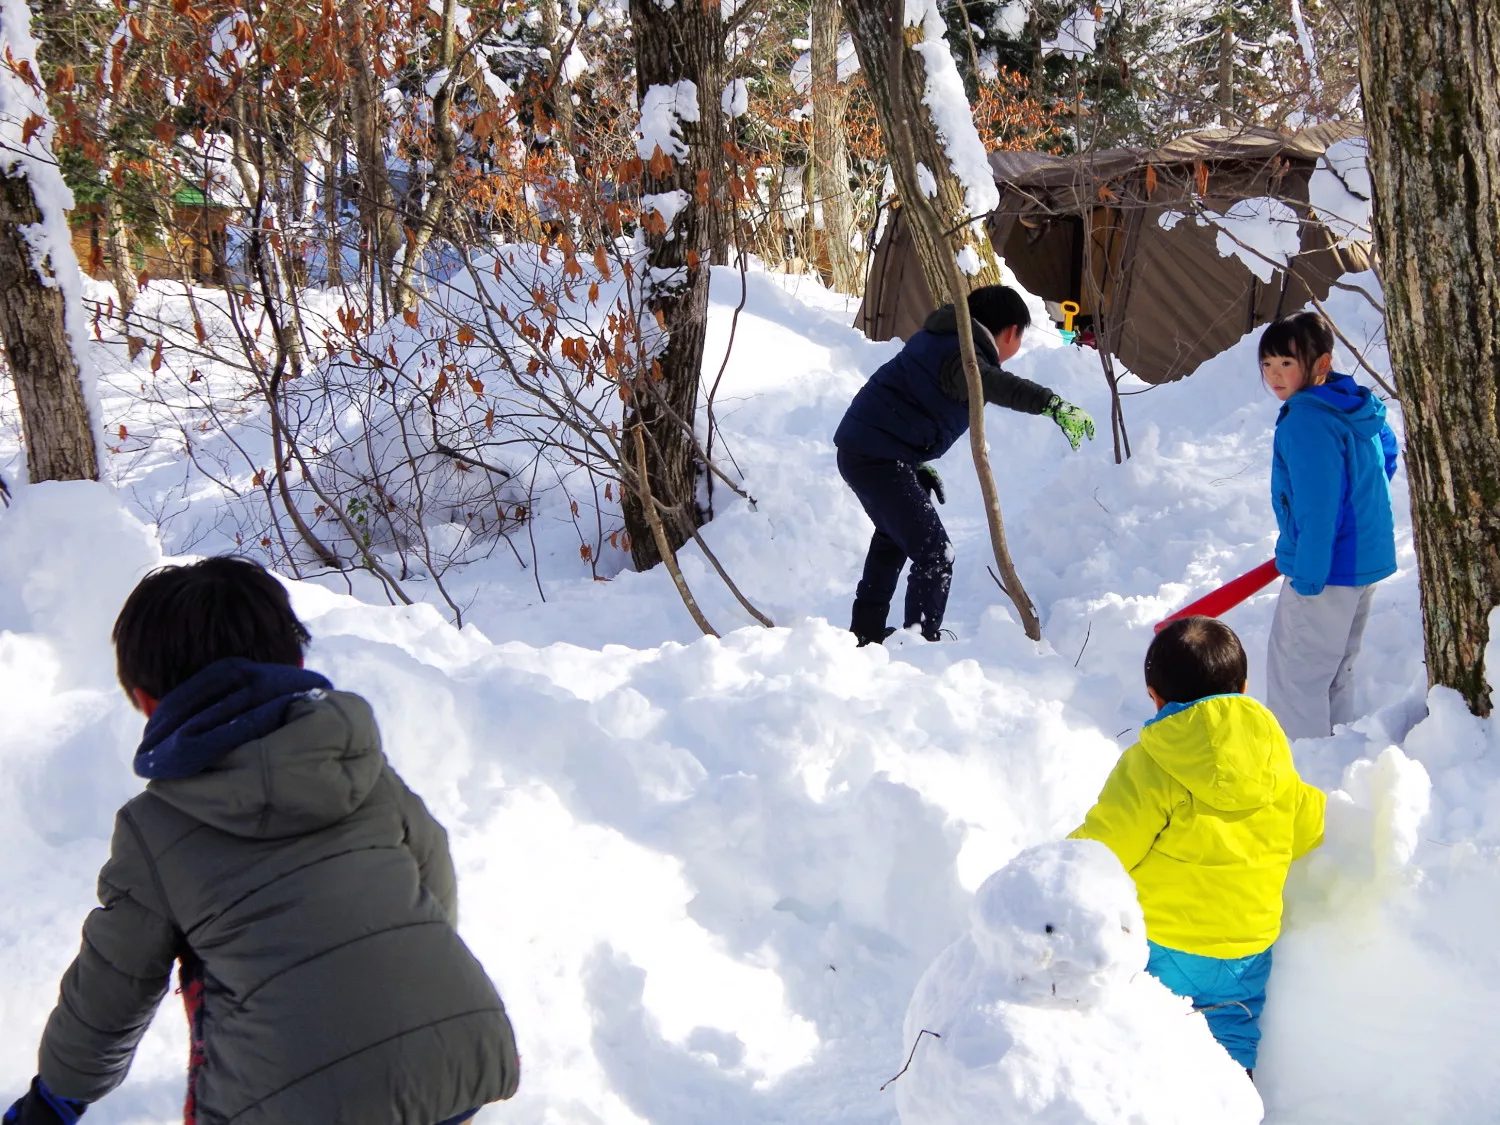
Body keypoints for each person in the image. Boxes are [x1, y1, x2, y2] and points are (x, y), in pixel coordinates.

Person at [4, 557, 519, 1125]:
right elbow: (432, 867)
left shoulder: (156, 830)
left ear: (146, 701)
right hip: (452, 1048)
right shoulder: (359, 767)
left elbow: (113, 988)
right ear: (296, 661)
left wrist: (58, 1096)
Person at [1070, 616, 1325, 1075]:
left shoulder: (1150, 763)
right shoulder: (1272, 755)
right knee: (1232, 1032)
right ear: (1244, 686)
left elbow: (1106, 847)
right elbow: (1307, 826)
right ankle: (1233, 1098)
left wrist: (1057, 864)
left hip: (1164, 943)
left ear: (1155, 696)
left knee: (1150, 1034)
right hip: (1246, 946)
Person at [833, 285, 1095, 644]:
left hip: (875, 450)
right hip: (877, 456)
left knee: (893, 539)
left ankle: (866, 633)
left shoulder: (944, 339)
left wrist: (914, 462)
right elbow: (995, 385)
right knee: (936, 554)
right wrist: (1051, 404)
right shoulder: (961, 355)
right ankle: (918, 644)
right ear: (1010, 333)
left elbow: (910, 401)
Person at [1260, 311, 1398, 739]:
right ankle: (1335, 753)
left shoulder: (1306, 419)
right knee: (1337, 669)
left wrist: (1308, 575)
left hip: (1326, 568)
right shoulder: (1355, 405)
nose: (1275, 376)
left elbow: (1318, 506)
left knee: (1295, 680)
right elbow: (1386, 457)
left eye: (1287, 363)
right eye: (1267, 364)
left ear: (1321, 364)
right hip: (1363, 561)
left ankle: (1300, 771)